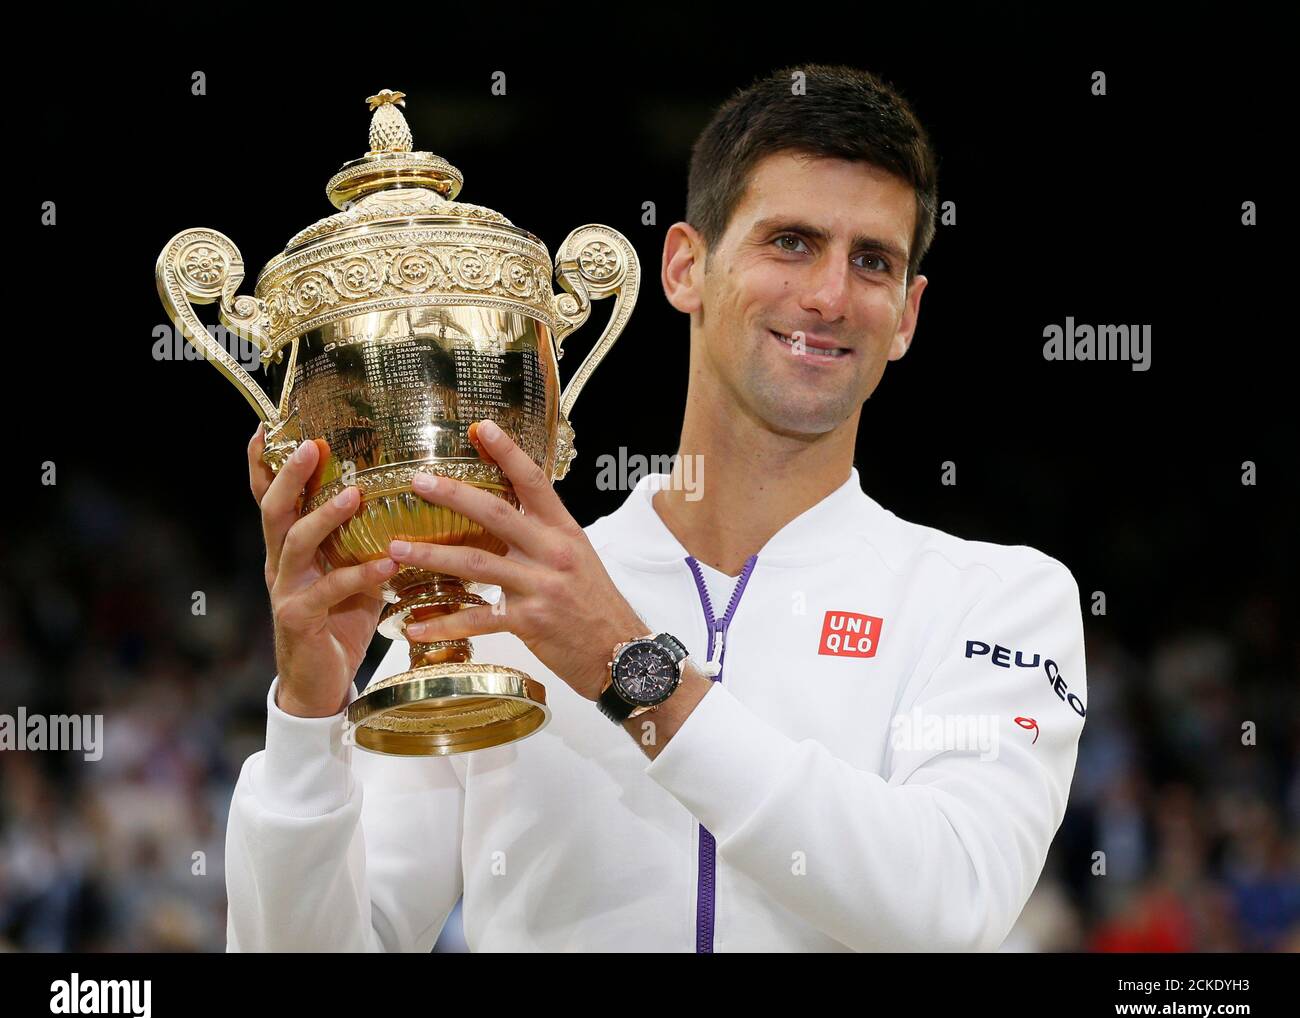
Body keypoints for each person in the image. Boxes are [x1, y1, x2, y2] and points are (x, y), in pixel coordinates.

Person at [225, 63, 1088, 952]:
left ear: (906, 315)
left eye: (873, 261)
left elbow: (947, 903)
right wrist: (306, 716)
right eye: (790, 241)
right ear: (685, 266)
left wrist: (624, 665)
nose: (830, 296)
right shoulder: (482, 597)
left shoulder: (996, 599)